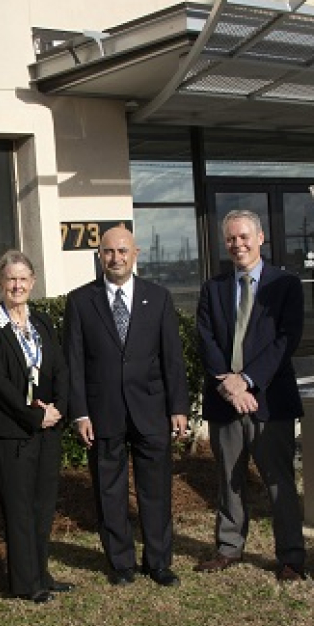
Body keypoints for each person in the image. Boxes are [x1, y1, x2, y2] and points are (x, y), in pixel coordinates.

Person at [64, 226, 189, 587]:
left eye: (122, 251)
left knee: (156, 489)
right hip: (103, 413)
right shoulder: (80, 301)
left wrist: (178, 406)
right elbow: (74, 362)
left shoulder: (159, 297)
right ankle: (120, 563)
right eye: (108, 252)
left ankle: (159, 561)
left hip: (151, 409)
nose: (115, 258)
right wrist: (81, 412)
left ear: (136, 253)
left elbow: (172, 359)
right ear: (99, 256)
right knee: (109, 490)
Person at [194, 210, 307, 581]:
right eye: (231, 239)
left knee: (279, 482)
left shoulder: (285, 285)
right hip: (225, 401)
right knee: (228, 479)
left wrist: (247, 380)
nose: (237, 245)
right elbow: (206, 338)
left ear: (260, 238)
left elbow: (285, 340)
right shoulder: (213, 288)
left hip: (269, 401)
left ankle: (290, 556)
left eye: (244, 237)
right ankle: (228, 548)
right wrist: (229, 385)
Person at [0, 251, 72, 604]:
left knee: (43, 506)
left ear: (32, 282)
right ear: (1, 283)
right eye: (10, 279)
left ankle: (41, 573)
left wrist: (59, 408)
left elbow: (60, 368)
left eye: (23, 279)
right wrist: (35, 414)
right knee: (17, 508)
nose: (17, 285)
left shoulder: (43, 322)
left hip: (48, 430)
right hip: (14, 431)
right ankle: (24, 582)